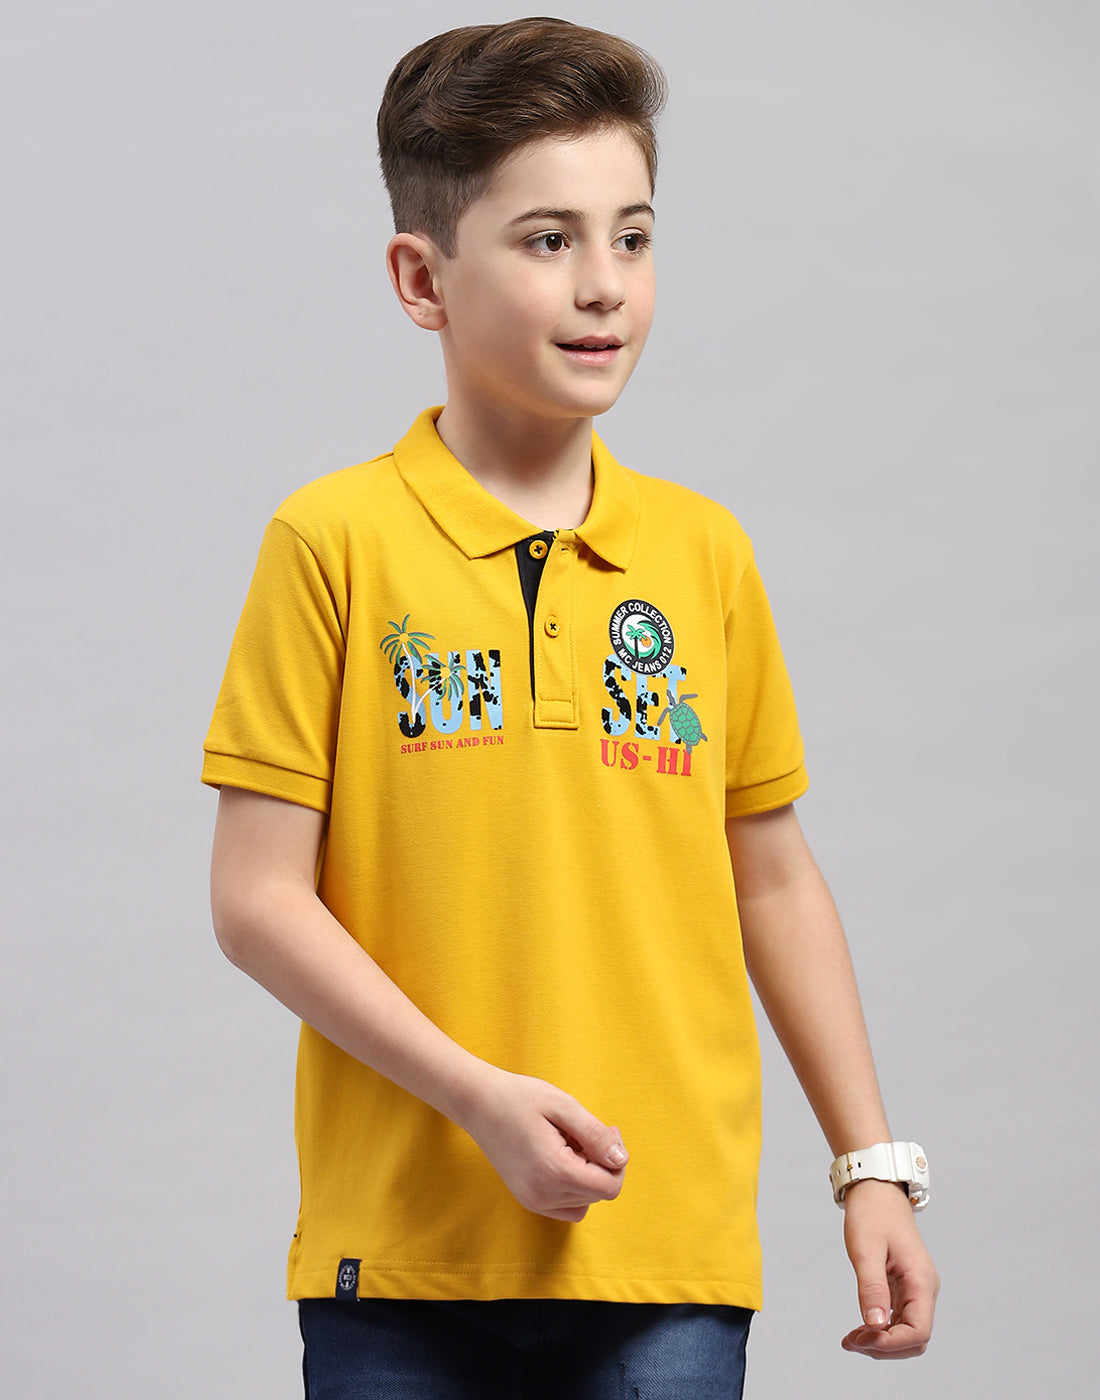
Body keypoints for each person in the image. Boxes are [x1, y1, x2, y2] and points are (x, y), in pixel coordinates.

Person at [203, 17, 939, 1397]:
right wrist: (476, 1097)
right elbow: (256, 901)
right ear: (421, 278)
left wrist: (873, 1168)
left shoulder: (705, 555)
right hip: (402, 1263)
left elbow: (772, 879)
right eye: (548, 240)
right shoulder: (332, 544)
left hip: (667, 1256)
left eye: (634, 237)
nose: (605, 285)